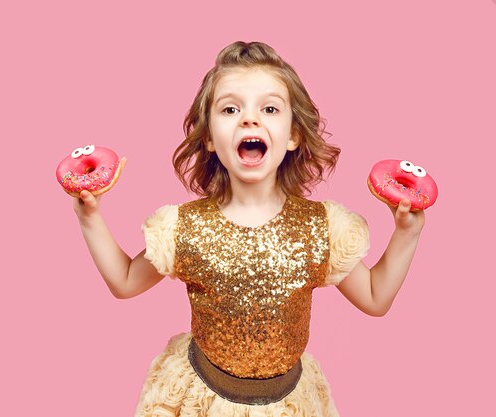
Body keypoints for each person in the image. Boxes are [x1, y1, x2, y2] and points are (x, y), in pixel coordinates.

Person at [73, 41, 425, 416]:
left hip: (288, 403)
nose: (249, 119)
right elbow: (126, 281)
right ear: (209, 137)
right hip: (202, 400)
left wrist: (408, 232)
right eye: (230, 109)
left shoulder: (320, 228)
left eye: (269, 108)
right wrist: (89, 217)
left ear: (293, 136)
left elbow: (375, 298)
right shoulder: (183, 227)